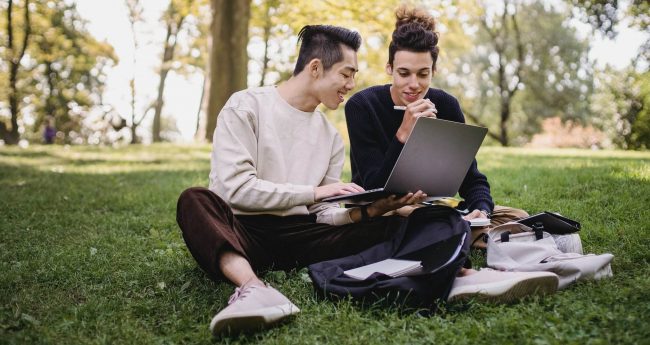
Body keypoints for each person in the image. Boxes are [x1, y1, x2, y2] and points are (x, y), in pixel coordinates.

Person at [177, 24, 557, 337]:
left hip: (304, 235)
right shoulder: (247, 106)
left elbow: (323, 215)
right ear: (314, 68)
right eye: (346, 73)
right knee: (195, 199)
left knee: (407, 218)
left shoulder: (328, 136)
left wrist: (370, 210)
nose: (350, 84)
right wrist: (316, 191)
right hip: (243, 229)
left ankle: (464, 274)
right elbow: (232, 189)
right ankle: (254, 290)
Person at [344, 5, 529, 248]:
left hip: (435, 208)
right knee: (419, 220)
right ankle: (483, 239)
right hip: (385, 212)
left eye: (423, 74)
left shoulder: (447, 106)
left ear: (434, 71)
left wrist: (481, 210)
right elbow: (373, 188)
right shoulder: (362, 106)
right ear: (389, 69)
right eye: (403, 73)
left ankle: (471, 232)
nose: (414, 84)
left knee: (518, 217)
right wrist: (403, 134)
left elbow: (472, 178)